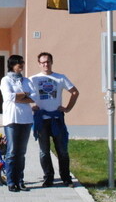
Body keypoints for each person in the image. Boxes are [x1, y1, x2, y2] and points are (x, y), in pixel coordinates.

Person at [30, 52, 80, 188]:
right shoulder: (33, 79)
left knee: (62, 150)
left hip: (57, 118)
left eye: (48, 62)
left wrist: (67, 108)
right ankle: (48, 178)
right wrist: (31, 107)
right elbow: (23, 95)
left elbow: (75, 92)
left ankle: (66, 178)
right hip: (41, 120)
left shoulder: (60, 78)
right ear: (39, 64)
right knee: (44, 151)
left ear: (52, 62)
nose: (46, 64)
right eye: (43, 62)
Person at [0, 55, 35, 193]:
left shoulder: (26, 80)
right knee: (12, 151)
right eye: (19, 63)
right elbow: (8, 97)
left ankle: (20, 181)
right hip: (12, 119)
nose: (21, 65)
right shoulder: (5, 80)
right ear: (12, 65)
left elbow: (34, 97)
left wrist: (19, 96)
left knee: (22, 152)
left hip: (26, 119)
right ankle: (11, 181)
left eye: (22, 63)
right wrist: (24, 95)